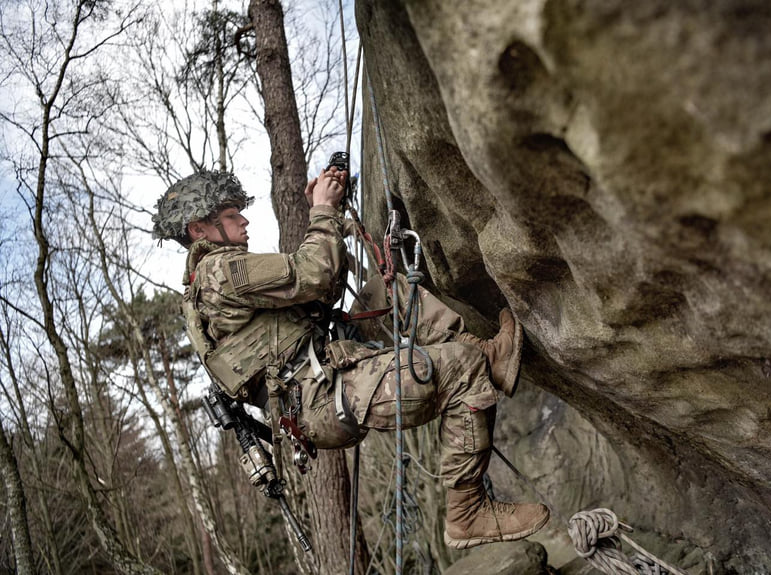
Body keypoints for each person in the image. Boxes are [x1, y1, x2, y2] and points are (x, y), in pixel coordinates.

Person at [152, 168, 549, 550]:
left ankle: (487, 355)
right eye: (230, 215)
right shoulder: (220, 270)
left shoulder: (211, 283)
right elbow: (312, 273)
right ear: (198, 230)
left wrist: (328, 215)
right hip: (322, 397)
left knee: (385, 291)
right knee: (461, 367)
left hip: (322, 373)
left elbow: (318, 296)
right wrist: (321, 211)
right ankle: (468, 510)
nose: (244, 222)